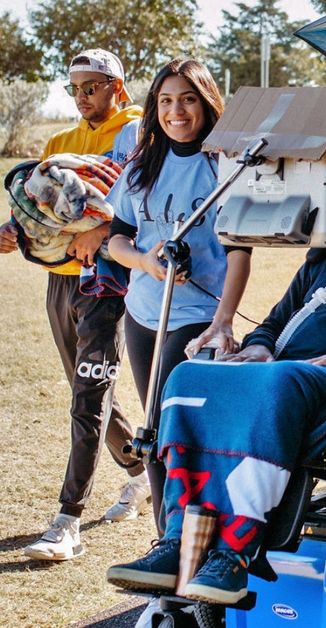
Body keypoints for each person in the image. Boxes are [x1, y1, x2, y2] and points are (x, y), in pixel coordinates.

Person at [107, 145, 326, 604]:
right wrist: (257, 348)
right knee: (187, 377)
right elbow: (276, 321)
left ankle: (235, 553)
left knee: (282, 380)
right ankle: (180, 540)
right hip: (285, 373)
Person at [1, 49, 146, 561]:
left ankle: (68, 521)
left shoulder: (135, 130)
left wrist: (105, 228)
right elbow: (42, 206)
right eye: (76, 89)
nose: (84, 97)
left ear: (117, 86)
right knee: (89, 391)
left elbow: (134, 204)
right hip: (59, 280)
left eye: (93, 87)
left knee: (89, 397)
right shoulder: (60, 142)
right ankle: (139, 473)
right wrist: (15, 230)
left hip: (106, 280)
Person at [105, 58, 252, 529]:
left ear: (207, 104)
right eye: (166, 101)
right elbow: (117, 239)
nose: (177, 111)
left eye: (188, 99)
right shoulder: (140, 164)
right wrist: (144, 261)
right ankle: (165, 538)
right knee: (150, 430)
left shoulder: (226, 168)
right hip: (142, 311)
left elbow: (240, 252)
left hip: (196, 315)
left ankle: (188, 533)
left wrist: (224, 320)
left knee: (171, 426)